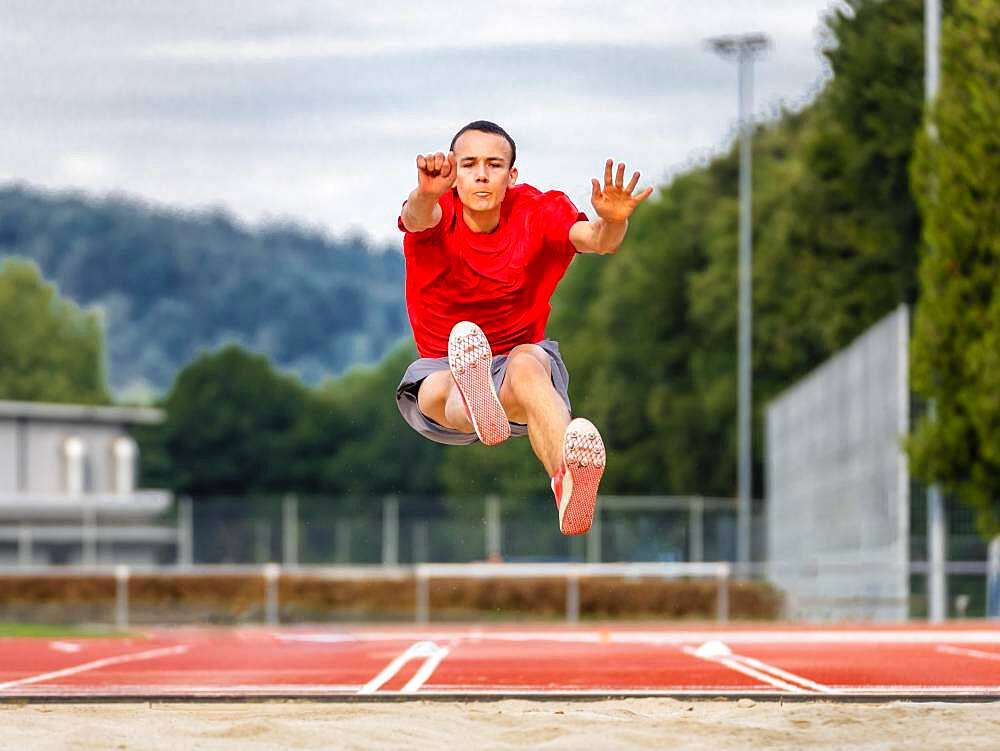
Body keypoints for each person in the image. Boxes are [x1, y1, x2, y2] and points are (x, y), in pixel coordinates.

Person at [395, 120, 652, 535]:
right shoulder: (439, 215)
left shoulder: (537, 210)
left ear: (512, 175)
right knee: (440, 385)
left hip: (515, 368)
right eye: (469, 164)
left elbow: (597, 240)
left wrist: (613, 221)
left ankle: (567, 481)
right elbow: (416, 217)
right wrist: (425, 193)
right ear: (453, 174)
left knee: (529, 360)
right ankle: (473, 392)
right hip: (443, 364)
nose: (481, 174)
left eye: (494, 164)